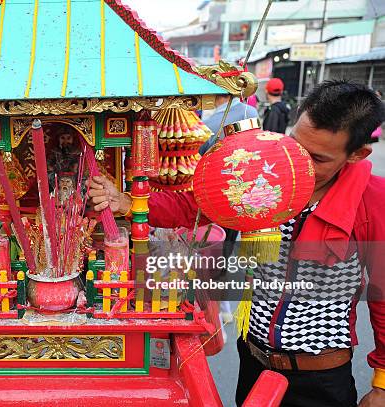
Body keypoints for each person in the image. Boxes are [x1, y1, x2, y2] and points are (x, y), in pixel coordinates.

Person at [88, 80, 385, 407]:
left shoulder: (373, 201)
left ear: (357, 153)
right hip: (254, 360)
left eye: (317, 158)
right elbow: (194, 208)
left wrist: (382, 384)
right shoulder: (266, 169)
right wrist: (126, 202)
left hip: (319, 377)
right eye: (296, 144)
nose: (300, 162)